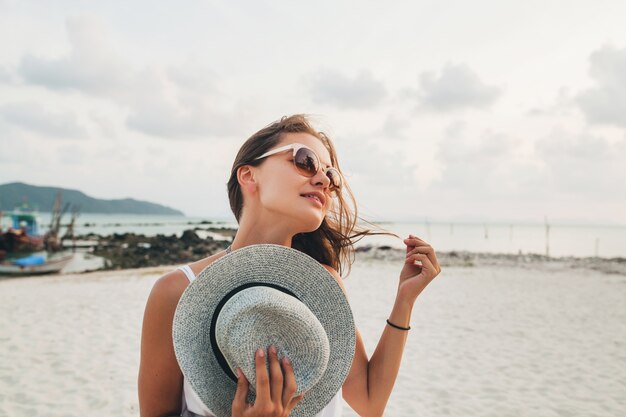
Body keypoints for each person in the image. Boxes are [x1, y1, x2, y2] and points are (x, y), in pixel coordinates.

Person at [138, 114, 441, 417]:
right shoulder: (177, 292)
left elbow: (370, 401)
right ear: (248, 176)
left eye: (331, 175)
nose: (324, 181)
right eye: (304, 160)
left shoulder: (323, 286)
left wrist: (405, 299)